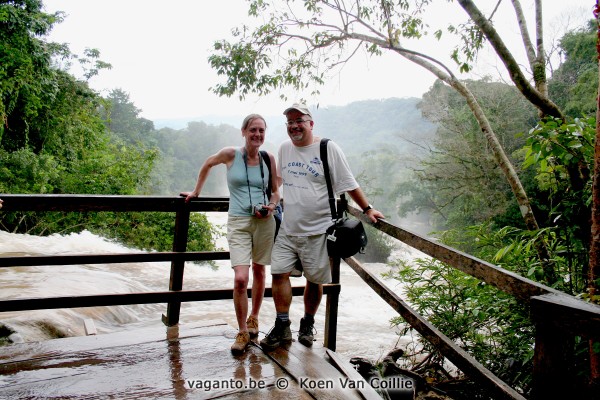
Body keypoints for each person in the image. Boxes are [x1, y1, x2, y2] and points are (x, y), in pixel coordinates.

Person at [260, 103, 384, 350]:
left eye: (299, 120)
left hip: (319, 229)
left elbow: (349, 182)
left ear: (310, 123)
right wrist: (263, 197)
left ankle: (307, 324)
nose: (294, 126)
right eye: (290, 122)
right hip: (288, 227)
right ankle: (283, 326)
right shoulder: (284, 149)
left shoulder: (328, 148)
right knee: (278, 273)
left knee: (314, 280)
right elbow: (279, 181)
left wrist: (367, 208)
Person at [181, 114, 280, 355]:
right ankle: (242, 331)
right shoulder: (231, 154)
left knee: (259, 270)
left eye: (261, 131)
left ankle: (254, 318)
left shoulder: (269, 158)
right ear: (244, 131)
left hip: (264, 222)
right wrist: (196, 191)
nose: (257, 135)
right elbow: (207, 163)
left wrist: (272, 205)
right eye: (253, 130)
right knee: (240, 278)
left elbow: (276, 191)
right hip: (238, 221)